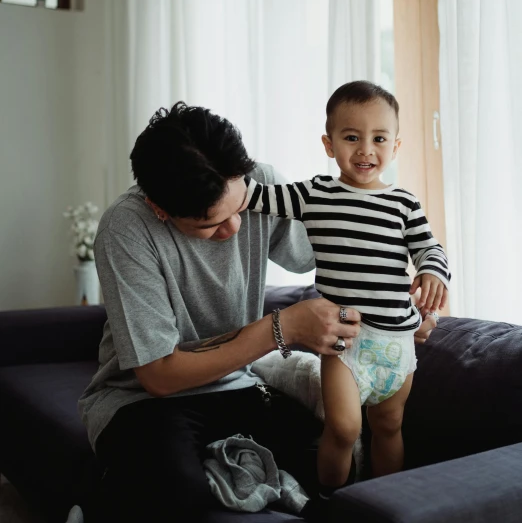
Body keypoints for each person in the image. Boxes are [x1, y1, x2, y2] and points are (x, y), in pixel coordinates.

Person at [78, 100, 438, 523]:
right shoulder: (127, 228)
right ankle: (98, 503)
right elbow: (158, 375)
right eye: (211, 225)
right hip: (139, 402)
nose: (234, 229)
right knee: (182, 500)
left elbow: (341, 255)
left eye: (240, 209)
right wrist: (280, 329)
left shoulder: (261, 185)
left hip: (236, 386)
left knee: (333, 469)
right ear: (160, 209)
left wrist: (396, 310)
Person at [244, 80, 450, 520]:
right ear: (329, 143)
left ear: (395, 146)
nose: (365, 150)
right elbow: (256, 198)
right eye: (351, 137)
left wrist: (433, 270)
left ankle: (386, 501)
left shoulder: (404, 204)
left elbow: (430, 249)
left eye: (378, 139)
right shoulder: (315, 193)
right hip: (345, 341)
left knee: (389, 427)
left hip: (397, 346)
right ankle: (327, 503)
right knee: (343, 427)